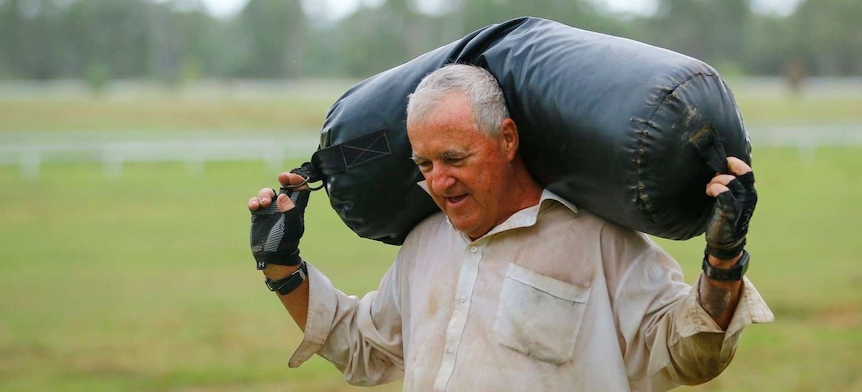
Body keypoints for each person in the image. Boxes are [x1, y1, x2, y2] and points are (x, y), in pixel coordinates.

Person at [247, 64, 773, 391]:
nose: (438, 181)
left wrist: (724, 261)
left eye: (454, 158)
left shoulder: (597, 239)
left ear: (507, 139)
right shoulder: (425, 243)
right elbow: (366, 349)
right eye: (425, 165)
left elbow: (690, 354)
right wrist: (282, 266)